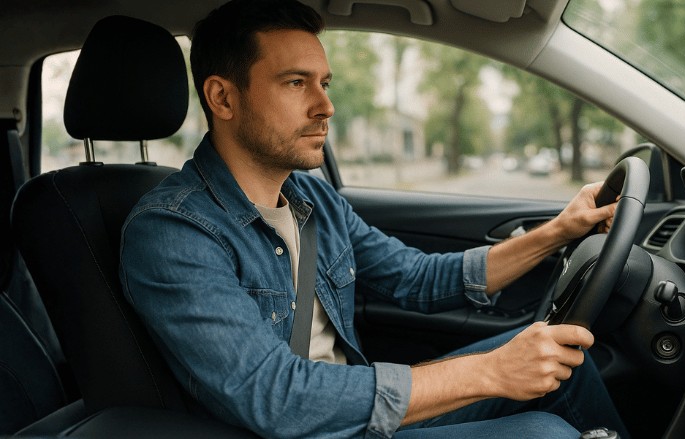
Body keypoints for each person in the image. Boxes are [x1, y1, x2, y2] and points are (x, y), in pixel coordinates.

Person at [119, 0, 629, 437]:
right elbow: (276, 398)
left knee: (564, 367)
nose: (326, 106)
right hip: (290, 427)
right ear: (223, 97)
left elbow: (419, 278)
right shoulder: (172, 232)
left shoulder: (312, 202)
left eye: (324, 82)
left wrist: (561, 229)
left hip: (351, 413)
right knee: (546, 433)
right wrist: (491, 372)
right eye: (296, 83)